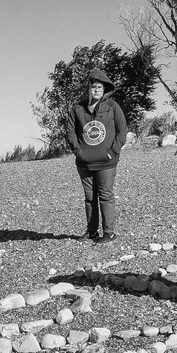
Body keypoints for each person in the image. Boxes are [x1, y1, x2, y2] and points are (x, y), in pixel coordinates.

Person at [65, 69, 126, 242]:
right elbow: (70, 132)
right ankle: (92, 231)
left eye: (100, 87)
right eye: (93, 87)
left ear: (104, 89)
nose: (96, 90)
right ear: (89, 88)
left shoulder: (113, 107)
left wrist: (112, 152)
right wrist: (78, 152)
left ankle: (109, 232)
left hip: (107, 162)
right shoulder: (77, 109)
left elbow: (122, 130)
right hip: (84, 163)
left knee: (106, 196)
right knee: (90, 198)